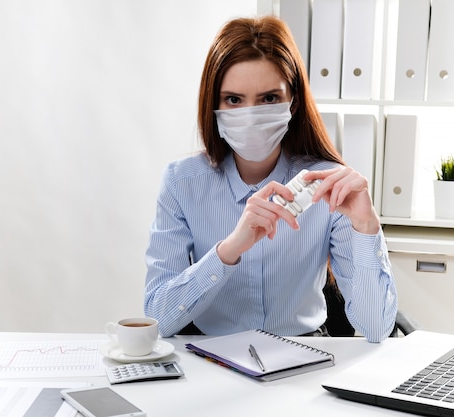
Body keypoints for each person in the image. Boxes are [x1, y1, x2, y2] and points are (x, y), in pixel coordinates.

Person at [144, 15, 397, 343]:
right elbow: (158, 319)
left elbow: (377, 328)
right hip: (212, 357)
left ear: (292, 102)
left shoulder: (329, 184)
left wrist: (366, 228)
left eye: (269, 99)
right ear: (214, 105)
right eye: (233, 100)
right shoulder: (182, 182)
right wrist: (229, 250)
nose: (250, 116)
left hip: (304, 352)